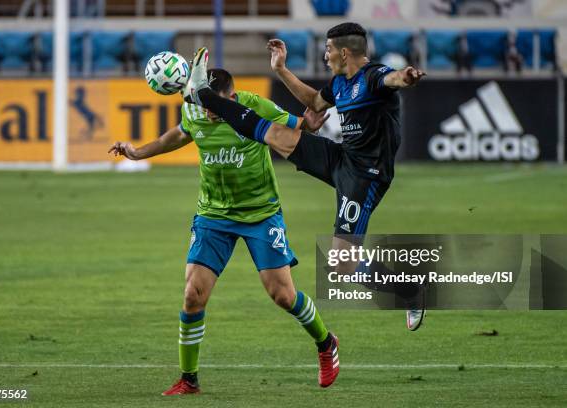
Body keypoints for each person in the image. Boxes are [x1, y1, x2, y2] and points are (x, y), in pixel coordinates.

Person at [109, 68, 340, 395]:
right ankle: (189, 380)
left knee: (283, 295)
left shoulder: (255, 106)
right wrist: (137, 152)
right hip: (213, 215)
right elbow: (175, 136)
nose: (207, 111)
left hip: (260, 213)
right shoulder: (195, 109)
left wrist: (309, 124)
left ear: (232, 98)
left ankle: (325, 342)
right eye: (204, 104)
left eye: (214, 105)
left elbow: (298, 124)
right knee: (192, 295)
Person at [182, 22, 427, 331]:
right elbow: (314, 102)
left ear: (344, 52)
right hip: (341, 158)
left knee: (341, 265)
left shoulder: (373, 77)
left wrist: (406, 77)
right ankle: (204, 95)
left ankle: (410, 290)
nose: (324, 56)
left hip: (365, 177)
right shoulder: (340, 82)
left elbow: (393, 79)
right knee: (274, 136)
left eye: (327, 50)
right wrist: (281, 69)